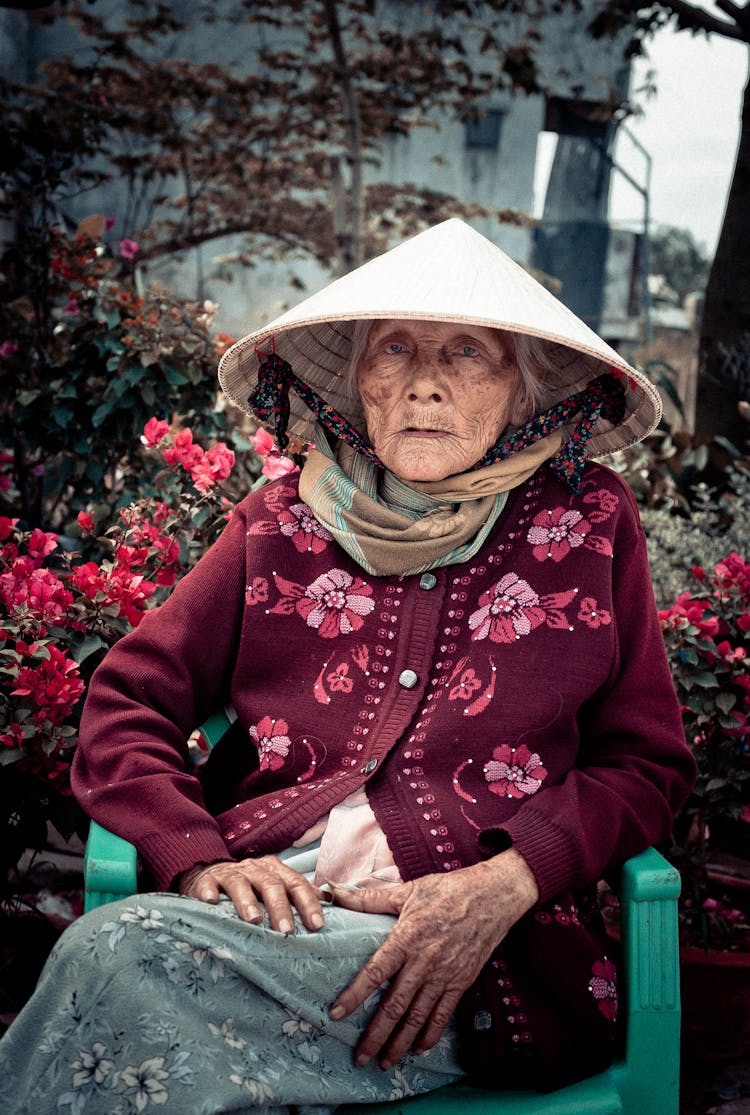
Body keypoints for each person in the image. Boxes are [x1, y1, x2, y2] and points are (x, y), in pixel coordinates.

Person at [0, 219, 695, 1114]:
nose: (425, 385)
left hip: (471, 959)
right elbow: (129, 696)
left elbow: (645, 763)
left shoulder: (590, 521)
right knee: (138, 976)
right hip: (255, 921)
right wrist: (192, 852)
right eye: (395, 349)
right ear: (357, 380)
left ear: (522, 393)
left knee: (119, 960)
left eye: (469, 355)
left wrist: (504, 882)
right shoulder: (279, 518)